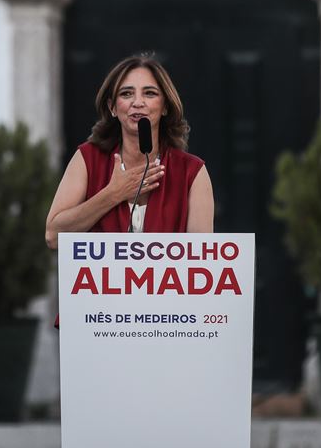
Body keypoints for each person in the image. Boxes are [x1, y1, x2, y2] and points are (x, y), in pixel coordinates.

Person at [45, 54, 214, 327]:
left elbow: (201, 265)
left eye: (149, 93)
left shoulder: (192, 172)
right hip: (97, 322)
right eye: (126, 94)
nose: (138, 102)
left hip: (167, 325)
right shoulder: (88, 158)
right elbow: (53, 235)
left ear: (166, 106)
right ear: (113, 107)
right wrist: (114, 193)